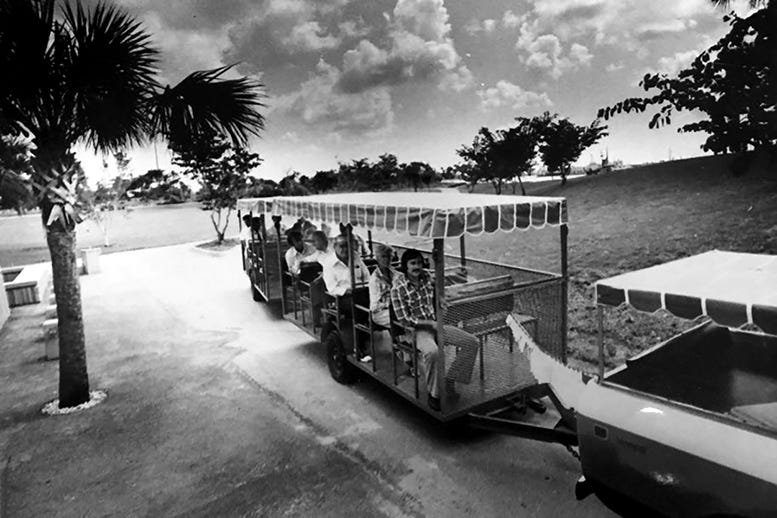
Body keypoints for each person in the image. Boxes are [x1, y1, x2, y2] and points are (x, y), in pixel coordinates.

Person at [390, 248, 479, 411]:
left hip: (435, 324)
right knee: (433, 352)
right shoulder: (398, 288)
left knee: (471, 342)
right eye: (412, 263)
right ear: (405, 266)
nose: (417, 267)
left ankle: (450, 379)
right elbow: (404, 319)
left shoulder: (426, 278)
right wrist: (428, 324)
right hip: (416, 330)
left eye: (419, 262)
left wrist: (441, 299)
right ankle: (434, 395)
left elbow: (440, 283)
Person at [322, 233, 371, 361]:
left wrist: (364, 286)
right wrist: (347, 291)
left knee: (376, 303)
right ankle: (359, 346)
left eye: (348, 246)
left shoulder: (355, 256)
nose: (345, 249)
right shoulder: (329, 263)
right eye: (342, 246)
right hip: (341, 298)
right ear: (335, 246)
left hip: (361, 292)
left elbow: (367, 276)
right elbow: (332, 288)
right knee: (360, 308)